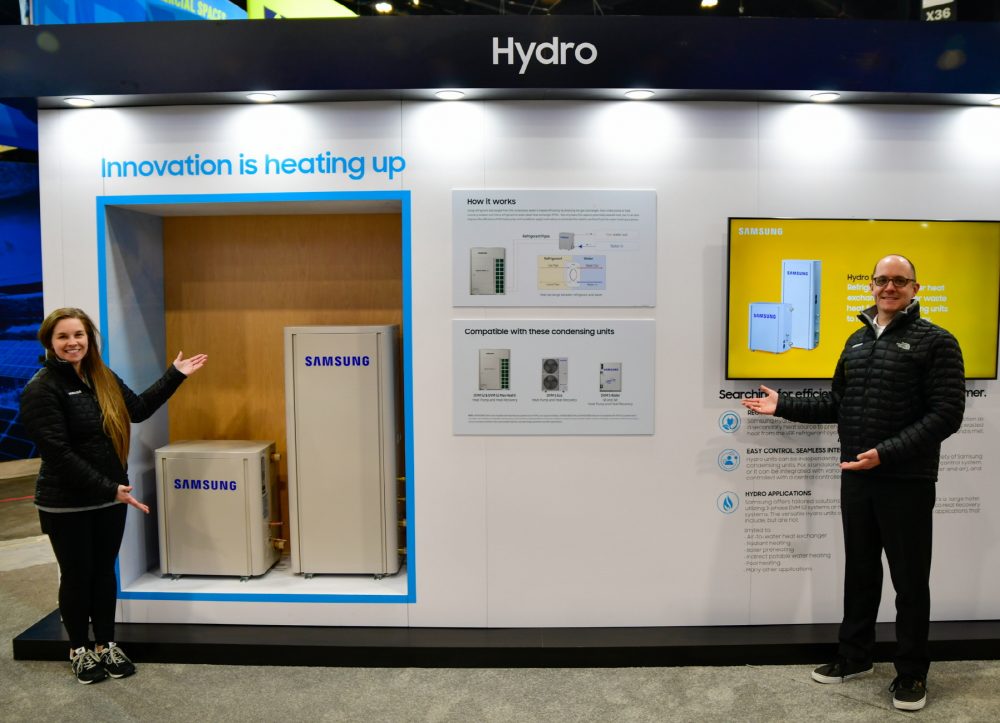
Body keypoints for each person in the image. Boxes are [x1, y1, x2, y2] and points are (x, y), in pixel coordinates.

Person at [742, 254, 965, 712]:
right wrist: (784, 405)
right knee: (860, 572)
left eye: (899, 280)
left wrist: (887, 452)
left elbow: (947, 413)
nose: (889, 287)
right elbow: (839, 404)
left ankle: (911, 673)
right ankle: (855, 656)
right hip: (856, 478)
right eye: (882, 280)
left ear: (916, 288)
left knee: (909, 581)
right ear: (871, 286)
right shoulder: (857, 340)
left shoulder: (938, 341)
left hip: (906, 478)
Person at [19, 307, 207, 684]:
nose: (72, 342)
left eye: (78, 335)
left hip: (110, 497)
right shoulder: (42, 388)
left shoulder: (101, 376)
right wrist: (109, 487)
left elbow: (138, 409)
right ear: (49, 342)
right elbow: (58, 453)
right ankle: (79, 649)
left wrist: (174, 375)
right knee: (77, 576)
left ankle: (106, 643)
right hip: (67, 502)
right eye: (63, 336)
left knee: (104, 573)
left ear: (89, 339)